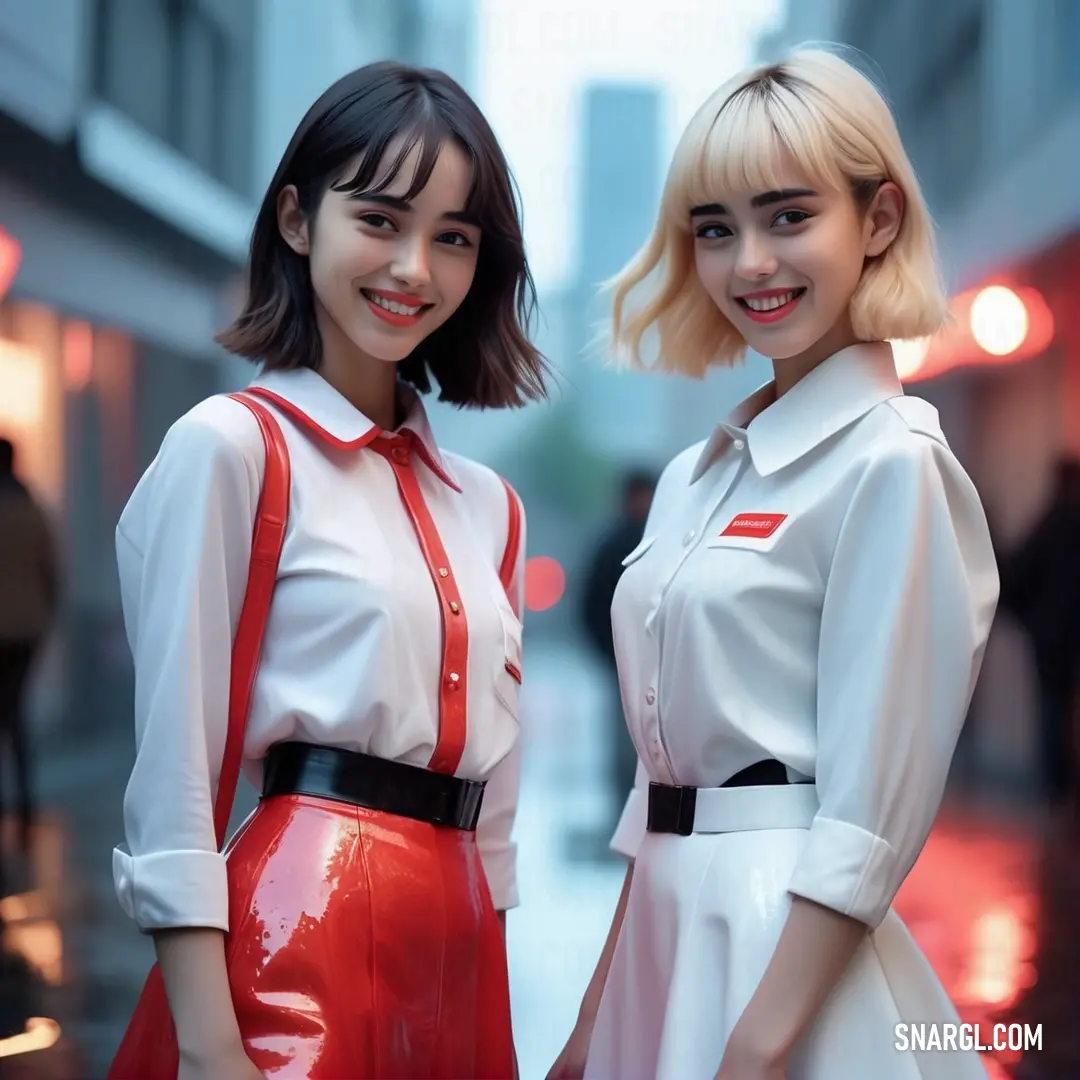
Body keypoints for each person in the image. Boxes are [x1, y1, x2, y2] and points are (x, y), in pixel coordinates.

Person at [548, 47, 999, 1080]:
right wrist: (591, 1019)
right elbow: (662, 784)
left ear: (877, 220)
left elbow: (870, 814)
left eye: (789, 217)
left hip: (778, 956)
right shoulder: (690, 480)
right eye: (716, 229)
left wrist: (757, 1045)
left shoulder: (896, 463)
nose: (749, 261)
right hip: (661, 936)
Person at [107, 62, 547, 1080]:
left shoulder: (490, 508)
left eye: (454, 238)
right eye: (382, 221)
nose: (414, 269)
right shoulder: (231, 447)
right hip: (293, 930)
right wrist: (210, 1043)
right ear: (299, 221)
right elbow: (174, 762)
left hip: (460, 949)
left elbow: (498, 816)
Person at [998, 456, 1080, 805]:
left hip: (1049, 640)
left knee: (1052, 715)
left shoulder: (1050, 521)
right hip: (1065, 637)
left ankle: (1056, 796)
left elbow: (1018, 571)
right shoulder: (1062, 523)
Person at [580, 470, 657, 834]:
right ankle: (628, 822)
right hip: (630, 666)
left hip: (649, 665)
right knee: (627, 749)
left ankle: (640, 821)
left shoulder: (656, 537)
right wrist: (615, 657)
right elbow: (591, 608)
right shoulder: (619, 543)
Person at [0, 437, 59, 865]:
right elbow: (52, 570)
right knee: (16, 714)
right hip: (27, 631)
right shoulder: (31, 507)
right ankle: (23, 797)